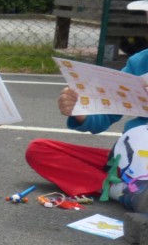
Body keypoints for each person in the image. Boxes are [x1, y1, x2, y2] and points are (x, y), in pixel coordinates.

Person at [25, 15, 148, 213]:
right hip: (133, 158)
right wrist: (81, 112)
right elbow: (107, 113)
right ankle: (124, 190)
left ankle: (135, 191)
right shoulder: (140, 61)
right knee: (39, 149)